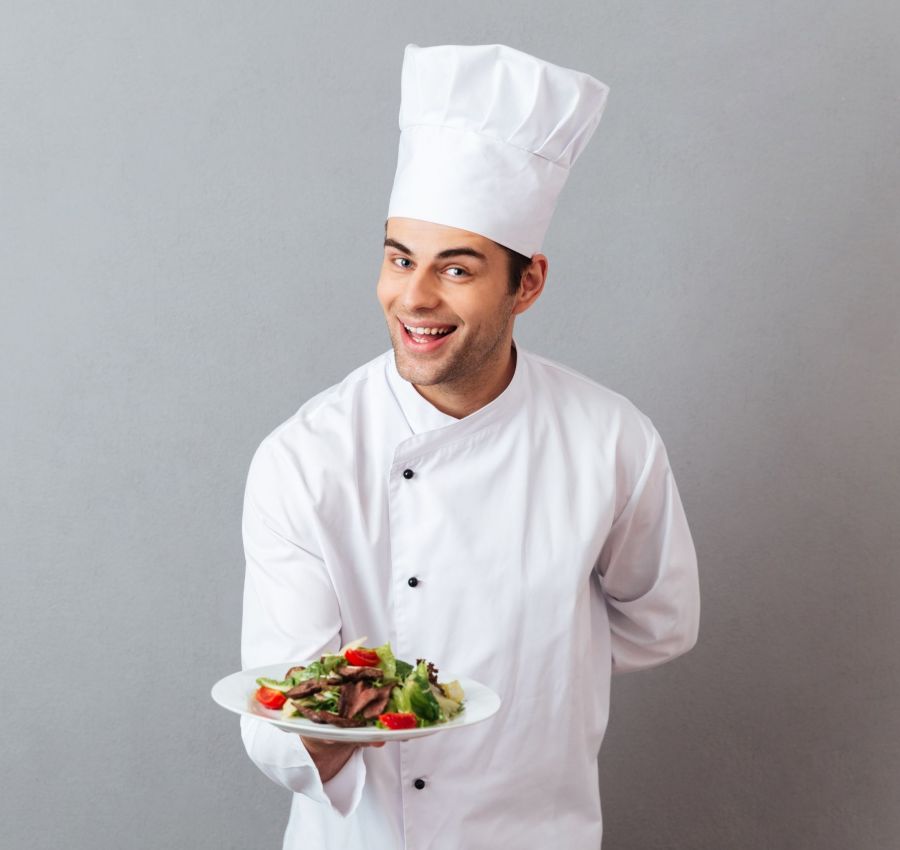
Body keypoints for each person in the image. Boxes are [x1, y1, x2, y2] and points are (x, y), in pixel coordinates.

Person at [239, 43, 700, 850]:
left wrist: (540, 669)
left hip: (539, 831)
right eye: (399, 258)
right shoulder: (306, 458)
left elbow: (661, 621)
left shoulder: (610, 439)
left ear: (527, 284)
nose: (414, 297)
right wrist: (322, 722)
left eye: (457, 269)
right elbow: (281, 701)